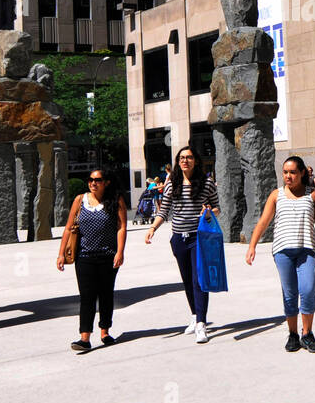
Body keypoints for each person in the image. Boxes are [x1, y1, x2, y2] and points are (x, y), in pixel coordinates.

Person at [245, 155, 315, 353]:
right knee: (290, 293)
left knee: (308, 290)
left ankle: (307, 334)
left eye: (292, 172)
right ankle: (293, 334)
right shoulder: (277, 195)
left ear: (302, 173)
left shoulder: (313, 196)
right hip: (283, 252)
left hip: (307, 251)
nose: (288, 176)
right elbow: (263, 222)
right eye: (285, 172)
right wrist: (252, 246)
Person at [146, 145, 220, 344]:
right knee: (187, 280)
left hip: (199, 237)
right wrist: (153, 228)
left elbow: (217, 207)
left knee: (199, 280)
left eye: (188, 157)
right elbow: (164, 211)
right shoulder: (172, 184)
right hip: (179, 237)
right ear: (178, 162)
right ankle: (195, 315)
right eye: (181, 158)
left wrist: (209, 213)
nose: (185, 161)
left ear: (195, 160)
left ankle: (202, 324)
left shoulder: (206, 183)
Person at [57, 169, 128, 352]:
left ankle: (105, 331)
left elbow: (121, 227)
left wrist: (120, 252)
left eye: (97, 180)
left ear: (106, 182)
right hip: (84, 257)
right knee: (87, 297)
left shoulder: (115, 200)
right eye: (90, 180)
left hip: (108, 256)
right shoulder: (80, 200)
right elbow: (68, 228)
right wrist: (61, 253)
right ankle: (84, 338)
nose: (93, 183)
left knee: (105, 294)